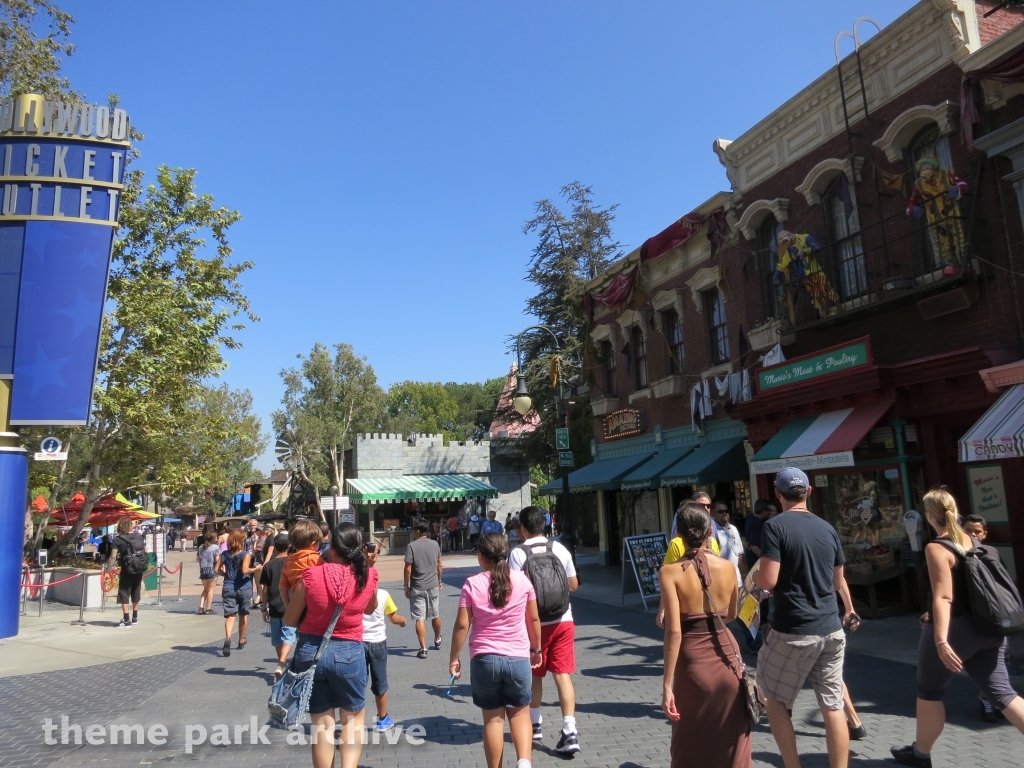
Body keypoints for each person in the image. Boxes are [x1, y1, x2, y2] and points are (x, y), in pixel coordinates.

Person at [890, 489, 1024, 768]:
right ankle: (918, 752)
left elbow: (944, 596)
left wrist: (940, 640)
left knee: (929, 691)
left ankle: (920, 753)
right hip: (989, 628)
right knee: (1003, 693)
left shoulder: (937, 547)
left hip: (956, 630)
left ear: (928, 515)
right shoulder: (978, 543)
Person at [754, 467, 857, 768]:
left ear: (777, 494)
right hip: (830, 626)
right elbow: (837, 583)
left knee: (775, 700)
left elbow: (768, 580)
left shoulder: (774, 527)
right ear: (809, 492)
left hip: (794, 629)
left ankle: (792, 765)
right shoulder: (828, 528)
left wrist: (757, 578)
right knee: (833, 705)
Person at [660, 501, 749, 767]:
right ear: (709, 531)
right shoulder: (727, 568)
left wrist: (666, 685)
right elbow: (732, 615)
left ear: (679, 533)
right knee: (731, 737)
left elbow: (674, 632)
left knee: (690, 737)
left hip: (693, 661)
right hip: (727, 656)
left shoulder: (669, 573)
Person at [283, 523, 379, 768]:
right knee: (352, 721)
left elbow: (290, 619)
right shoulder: (367, 575)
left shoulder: (312, 575)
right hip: (350, 650)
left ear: (331, 547)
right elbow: (370, 608)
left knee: (322, 725)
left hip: (311, 651)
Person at [450, 532, 542, 768]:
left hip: (484, 659)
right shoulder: (522, 581)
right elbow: (533, 620)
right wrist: (537, 648)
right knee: (520, 714)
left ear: (481, 557)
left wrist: (454, 657)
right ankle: (524, 762)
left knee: (493, 720)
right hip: (518, 658)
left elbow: (462, 625)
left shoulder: (472, 584)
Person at [510, 506, 581, 756]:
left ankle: (535, 723)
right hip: (563, 620)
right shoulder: (560, 548)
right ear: (545, 526)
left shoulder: (518, 553)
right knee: (562, 674)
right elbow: (573, 584)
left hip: (534, 624)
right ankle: (570, 729)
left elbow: (515, 592)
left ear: (522, 529)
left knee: (535, 674)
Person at [363, 541, 407, 731]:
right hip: (377, 642)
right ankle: (383, 718)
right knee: (380, 682)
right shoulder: (383, 594)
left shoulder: (353, 592)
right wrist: (402, 621)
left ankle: (354, 717)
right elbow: (394, 618)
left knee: (357, 681)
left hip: (357, 641)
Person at [405, 522, 443, 659]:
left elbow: (408, 568)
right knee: (435, 613)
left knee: (419, 617)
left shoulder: (411, 546)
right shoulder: (435, 544)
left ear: (417, 531)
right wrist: (439, 580)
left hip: (417, 586)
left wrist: (406, 585)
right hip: (433, 584)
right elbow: (440, 565)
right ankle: (438, 638)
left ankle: (423, 648)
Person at [259, 532, 293, 681]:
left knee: (278, 639)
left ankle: (282, 665)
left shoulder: (269, 565)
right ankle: (281, 663)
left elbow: (264, 588)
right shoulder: (293, 562)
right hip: (290, 605)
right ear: (289, 546)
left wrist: (263, 607)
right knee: (289, 637)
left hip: (273, 606)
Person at [217, 528, 256, 657]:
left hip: (228, 587)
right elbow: (245, 570)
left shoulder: (225, 554)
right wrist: (257, 568)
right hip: (244, 586)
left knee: (230, 615)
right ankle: (241, 640)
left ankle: (228, 638)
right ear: (241, 540)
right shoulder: (245, 554)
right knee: (243, 614)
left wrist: (226, 575)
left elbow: (216, 569)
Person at [112, 517, 147, 628]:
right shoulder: (139, 537)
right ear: (131, 526)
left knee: (124, 592)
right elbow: (144, 551)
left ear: (120, 526)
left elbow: (113, 556)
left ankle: (126, 620)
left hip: (127, 569)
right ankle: (135, 618)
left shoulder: (118, 540)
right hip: (138, 568)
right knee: (136, 591)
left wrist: (108, 569)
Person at [280, 520, 324, 606]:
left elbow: (282, 588)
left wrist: (288, 606)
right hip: (313, 603)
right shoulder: (314, 558)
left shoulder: (288, 562)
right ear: (313, 543)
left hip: (296, 603)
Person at [711, 499, 747, 584]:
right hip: (721, 580)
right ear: (714, 513)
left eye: (726, 511)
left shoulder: (733, 529)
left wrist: (744, 573)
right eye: (720, 511)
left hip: (737, 579)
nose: (724, 513)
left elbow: (739, 554)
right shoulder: (711, 531)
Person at [196, 531, 219, 615]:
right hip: (212, 569)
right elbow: (217, 559)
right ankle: (208, 609)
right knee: (211, 590)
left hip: (203, 570)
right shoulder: (215, 547)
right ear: (214, 538)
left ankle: (201, 608)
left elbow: (197, 559)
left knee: (205, 589)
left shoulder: (201, 546)